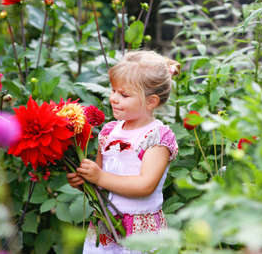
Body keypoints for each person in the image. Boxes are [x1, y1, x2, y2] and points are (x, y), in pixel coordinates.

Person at [67, 50, 180, 253]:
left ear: (151, 101)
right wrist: (85, 181)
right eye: (113, 91)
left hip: (140, 230)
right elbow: (101, 182)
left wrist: (99, 177)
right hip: (106, 223)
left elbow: (145, 185)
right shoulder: (110, 131)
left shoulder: (157, 137)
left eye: (124, 95)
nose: (114, 99)